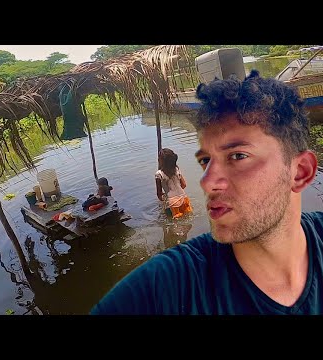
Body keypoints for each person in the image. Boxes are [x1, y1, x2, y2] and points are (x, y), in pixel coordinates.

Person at [90, 70, 322, 314]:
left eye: (238, 156)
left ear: (300, 172)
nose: (207, 182)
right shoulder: (170, 283)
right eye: (205, 161)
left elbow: (161, 196)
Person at [155, 148, 193, 219]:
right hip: (184, 199)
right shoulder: (176, 169)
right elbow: (184, 185)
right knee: (188, 218)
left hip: (173, 202)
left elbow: (159, 195)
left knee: (175, 222)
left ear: (160, 160)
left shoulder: (158, 174)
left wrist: (165, 200)